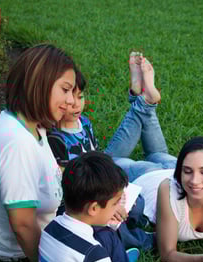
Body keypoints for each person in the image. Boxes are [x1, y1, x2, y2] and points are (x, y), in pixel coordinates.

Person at [39, 151, 180, 262]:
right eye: (115, 203)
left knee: (117, 255)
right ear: (94, 208)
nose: (117, 208)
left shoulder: (51, 227)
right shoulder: (93, 254)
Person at [0, 44, 78, 262]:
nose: (71, 101)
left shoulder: (26, 121)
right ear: (40, 84)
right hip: (14, 248)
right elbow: (22, 225)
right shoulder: (18, 145)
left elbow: (47, 171)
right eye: (65, 89)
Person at [47, 52, 177, 183]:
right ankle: (143, 101)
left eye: (80, 97)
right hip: (97, 176)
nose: (75, 104)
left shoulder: (83, 121)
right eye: (66, 94)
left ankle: (142, 98)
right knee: (156, 167)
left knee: (162, 163)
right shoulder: (55, 137)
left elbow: (96, 150)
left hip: (103, 161)